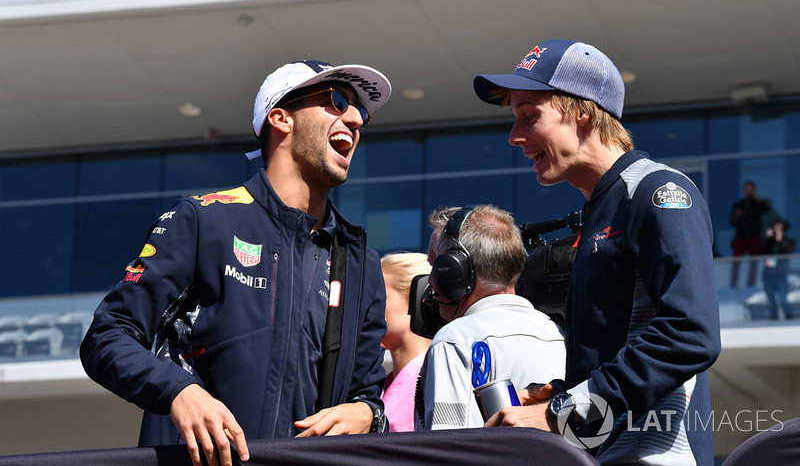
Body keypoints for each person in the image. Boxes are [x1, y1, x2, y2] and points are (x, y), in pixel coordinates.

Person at [80, 60, 392, 466]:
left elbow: (366, 393)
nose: (354, 120)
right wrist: (179, 392)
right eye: (336, 101)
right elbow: (107, 337)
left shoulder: (359, 262)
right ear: (280, 119)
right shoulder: (203, 220)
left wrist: (367, 413)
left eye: (360, 113)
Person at [474, 39, 721, 465]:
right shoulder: (600, 208)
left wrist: (562, 414)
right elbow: (623, 348)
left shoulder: (658, 192)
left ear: (582, 113)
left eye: (530, 116)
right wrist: (565, 391)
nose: (515, 137)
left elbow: (691, 335)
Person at [415, 204, 566, 431]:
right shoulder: (560, 334)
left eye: (436, 267)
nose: (430, 282)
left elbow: (446, 445)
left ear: (455, 271)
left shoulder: (455, 340)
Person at [379, 252, 433, 432]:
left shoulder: (432, 378)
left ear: (415, 300)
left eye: (379, 298)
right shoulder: (379, 384)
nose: (368, 307)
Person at [730, 181, 770, 287]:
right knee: (736, 262)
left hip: (754, 237)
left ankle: (751, 284)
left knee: (754, 263)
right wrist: (737, 215)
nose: (749, 191)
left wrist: (755, 196)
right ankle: (733, 284)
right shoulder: (739, 205)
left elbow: (766, 208)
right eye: (747, 189)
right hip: (741, 237)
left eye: (751, 189)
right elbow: (732, 222)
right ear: (743, 190)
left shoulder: (757, 205)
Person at [761, 218, 796, 320]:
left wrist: (780, 240)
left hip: (781, 275)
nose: (777, 230)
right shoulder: (769, 242)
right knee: (771, 302)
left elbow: (786, 253)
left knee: (783, 300)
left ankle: (789, 319)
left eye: (779, 228)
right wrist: (768, 239)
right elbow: (761, 253)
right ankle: (773, 319)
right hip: (768, 275)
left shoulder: (789, 241)